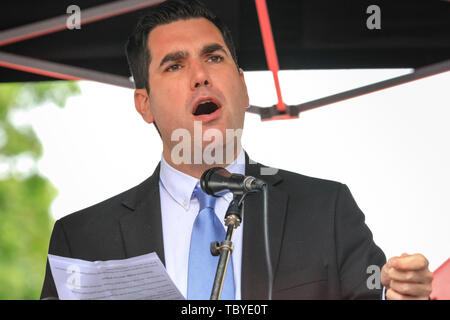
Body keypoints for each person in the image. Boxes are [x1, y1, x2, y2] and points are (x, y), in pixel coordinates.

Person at [41, 0, 433, 300]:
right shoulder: (83, 240)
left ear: (243, 87)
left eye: (213, 57)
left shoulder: (325, 208)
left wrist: (398, 295)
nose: (200, 76)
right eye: (174, 66)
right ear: (144, 103)